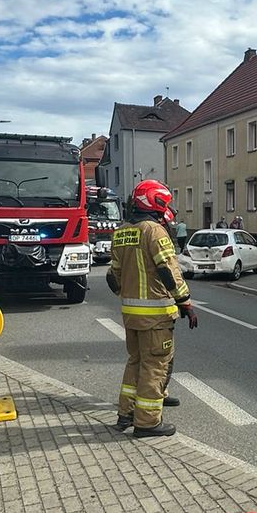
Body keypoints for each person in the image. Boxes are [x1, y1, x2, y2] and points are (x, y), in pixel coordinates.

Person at [107, 179, 198, 437]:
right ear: (156, 202)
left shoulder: (122, 231)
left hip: (130, 314)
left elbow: (113, 277)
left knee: (135, 362)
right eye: (164, 203)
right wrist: (186, 303)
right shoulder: (155, 231)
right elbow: (169, 271)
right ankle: (147, 423)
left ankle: (125, 413)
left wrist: (129, 295)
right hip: (156, 316)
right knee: (155, 366)